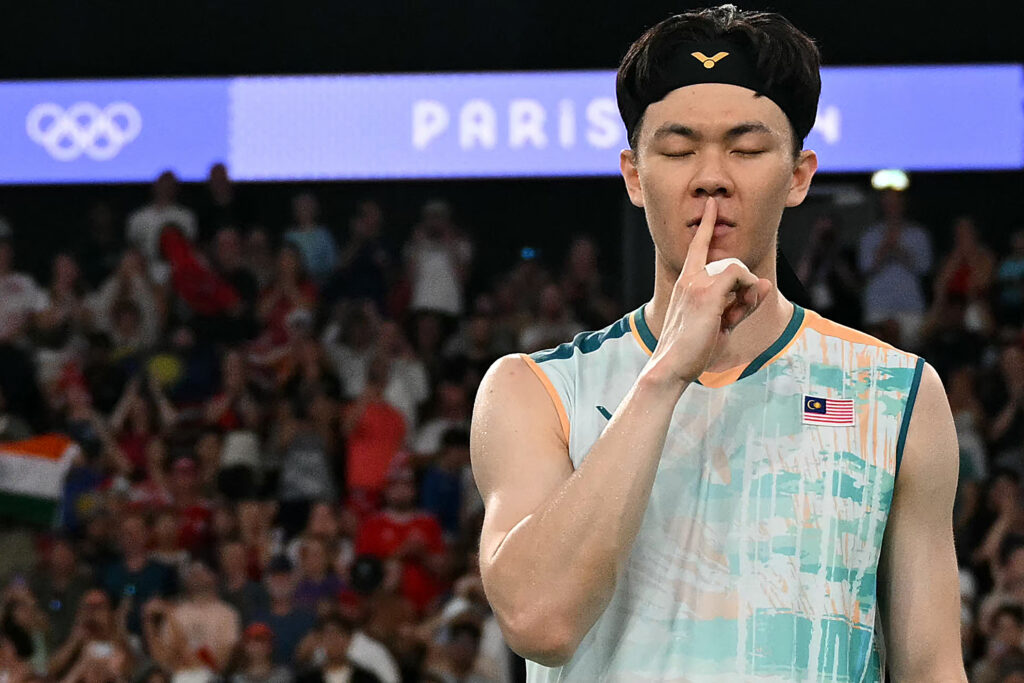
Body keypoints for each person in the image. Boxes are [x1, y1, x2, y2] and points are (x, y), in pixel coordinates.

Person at [470, 5, 965, 681]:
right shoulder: (534, 390)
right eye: (678, 151)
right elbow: (539, 621)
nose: (711, 176)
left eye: (746, 149)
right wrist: (666, 373)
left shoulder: (895, 392)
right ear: (634, 176)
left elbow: (933, 668)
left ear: (799, 176)